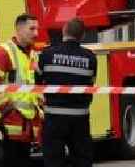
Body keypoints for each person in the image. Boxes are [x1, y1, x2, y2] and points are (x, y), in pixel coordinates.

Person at [0, 13, 43, 167]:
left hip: (25, 130)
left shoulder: (32, 55)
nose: (36, 33)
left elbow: (31, 88)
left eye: (37, 29)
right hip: (7, 127)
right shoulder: (2, 52)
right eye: (32, 29)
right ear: (19, 29)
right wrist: (9, 110)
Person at [37, 17, 97, 167]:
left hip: (54, 118)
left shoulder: (47, 54)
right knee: (82, 159)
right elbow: (91, 83)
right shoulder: (91, 58)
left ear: (63, 31)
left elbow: (38, 81)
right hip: (80, 119)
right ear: (82, 36)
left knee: (54, 160)